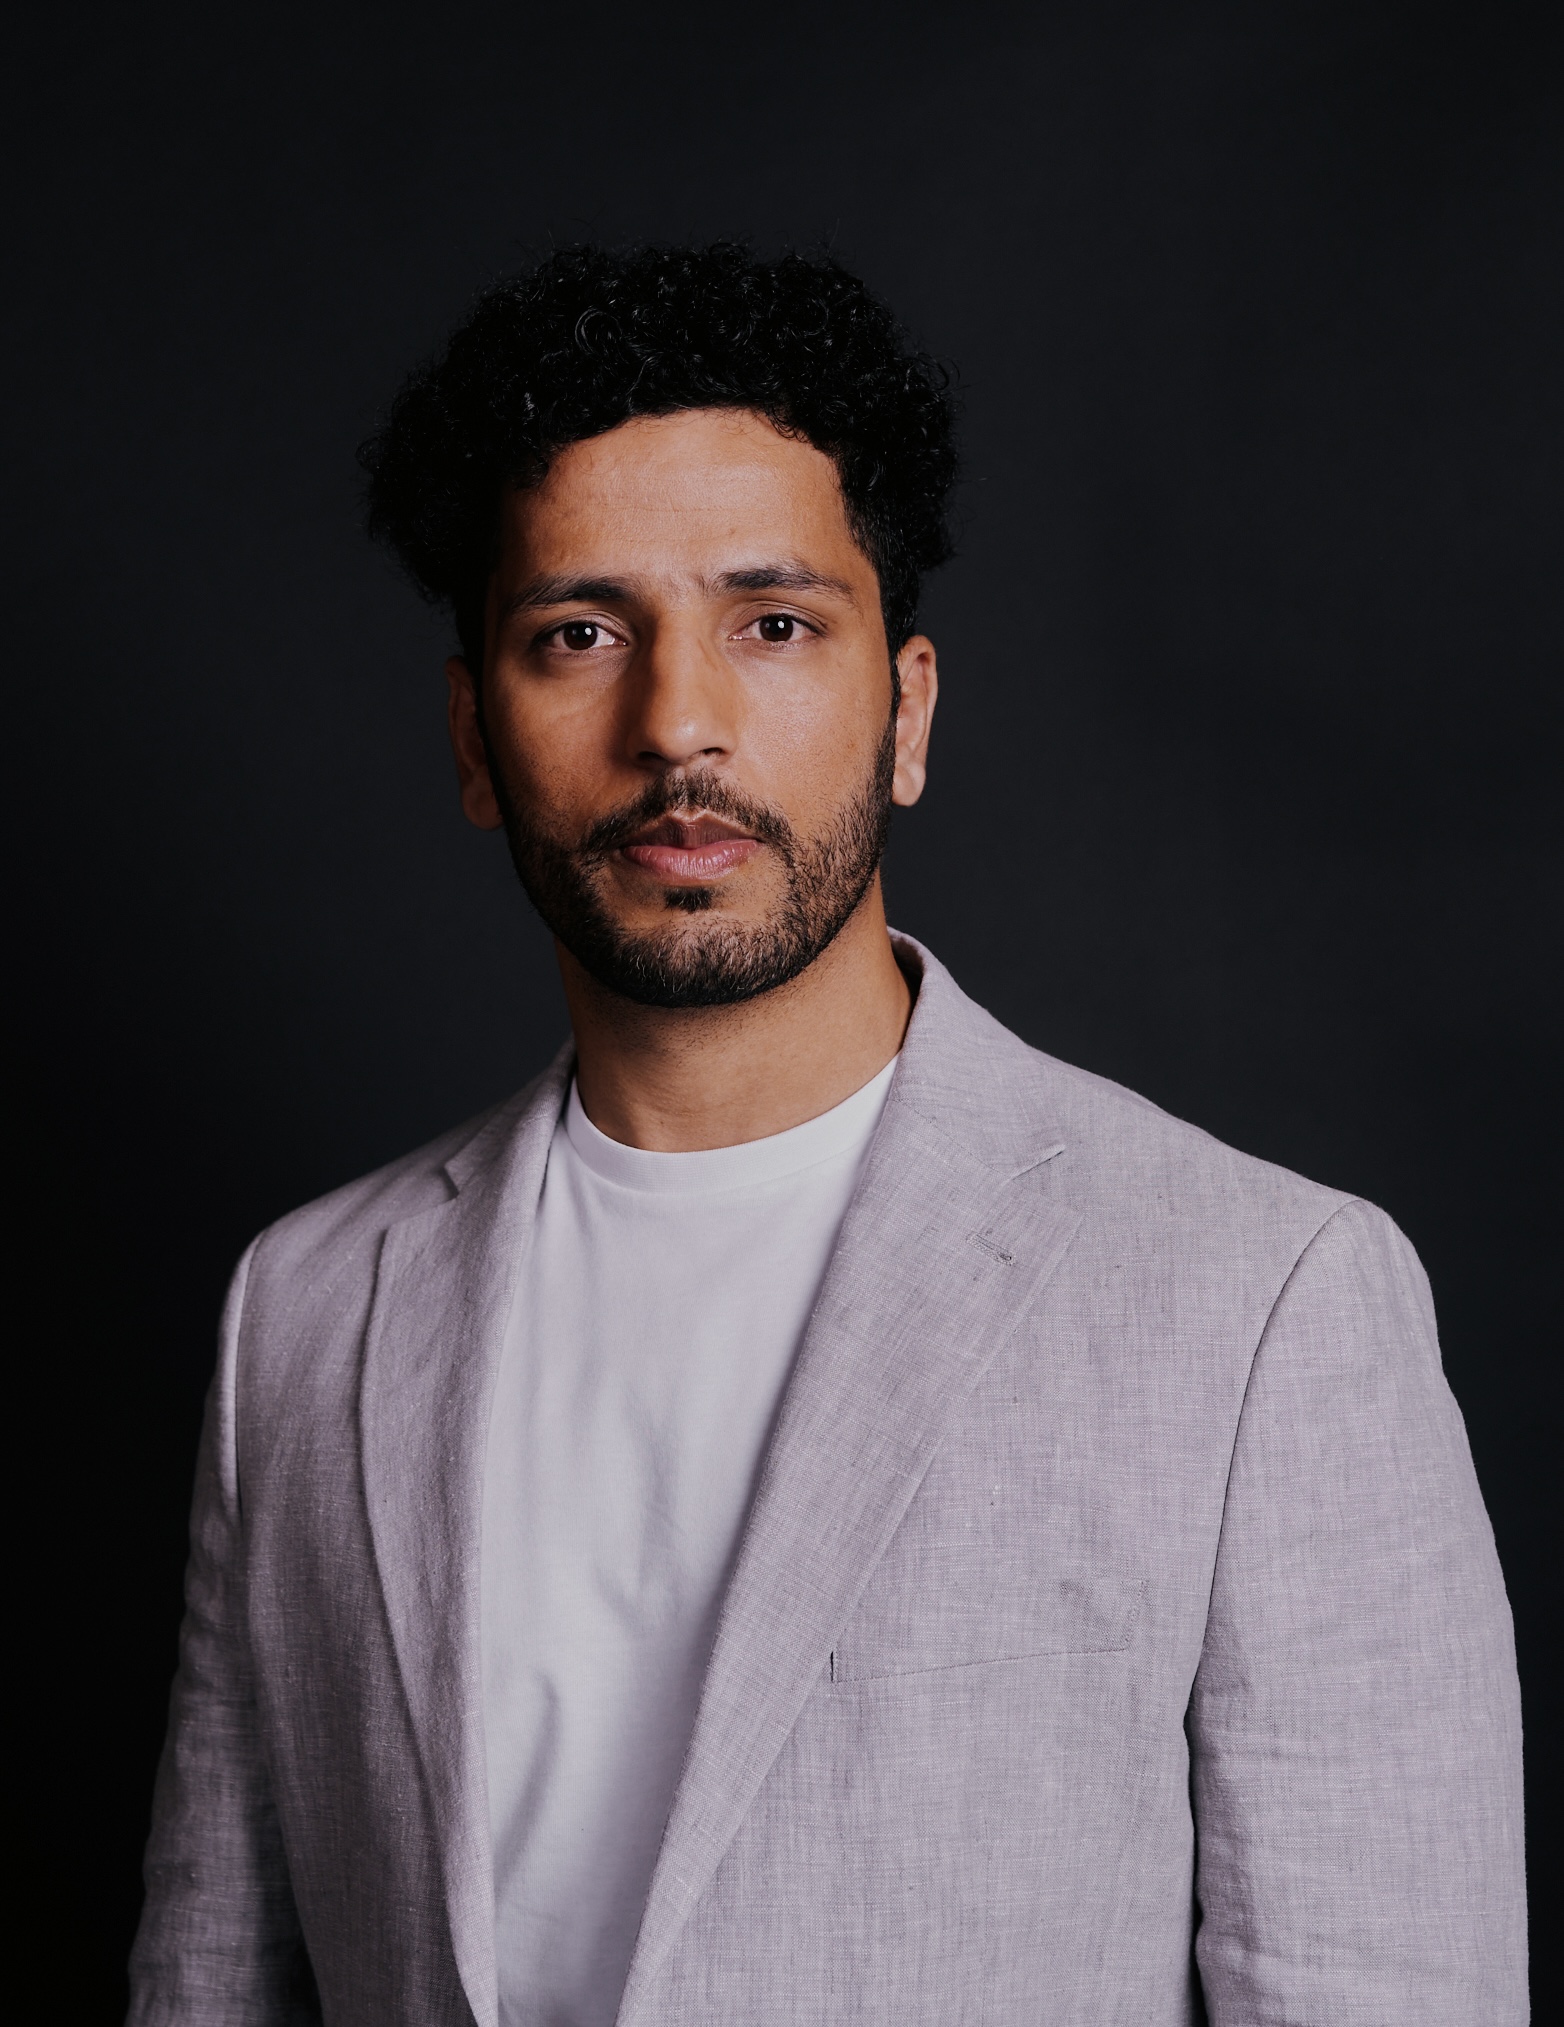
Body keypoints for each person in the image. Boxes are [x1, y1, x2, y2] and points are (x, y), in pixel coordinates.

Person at [128, 243, 1527, 2027]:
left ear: (908, 709)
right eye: (579, 633)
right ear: (477, 738)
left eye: (773, 623)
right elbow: (205, 1985)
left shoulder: (1264, 1305)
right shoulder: (304, 1318)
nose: (679, 723)